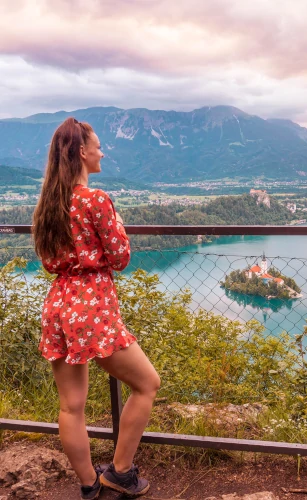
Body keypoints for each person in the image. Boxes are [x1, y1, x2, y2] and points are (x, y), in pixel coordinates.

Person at [32, 117, 160, 500]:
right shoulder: (95, 199)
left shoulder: (49, 202)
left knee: (71, 407)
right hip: (91, 310)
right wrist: (118, 223)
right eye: (98, 146)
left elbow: (48, 259)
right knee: (147, 384)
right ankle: (121, 472)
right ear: (82, 153)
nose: (103, 152)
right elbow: (119, 257)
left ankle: (89, 485)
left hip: (58, 306)